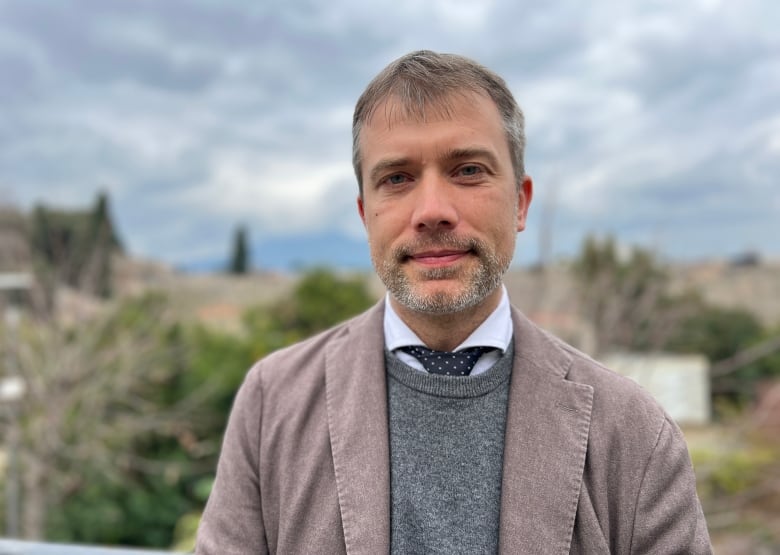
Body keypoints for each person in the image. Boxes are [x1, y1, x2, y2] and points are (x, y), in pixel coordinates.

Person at [195, 50, 712, 554]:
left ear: (521, 202)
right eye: (396, 179)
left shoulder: (633, 433)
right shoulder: (272, 404)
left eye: (467, 170)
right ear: (364, 214)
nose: (433, 211)